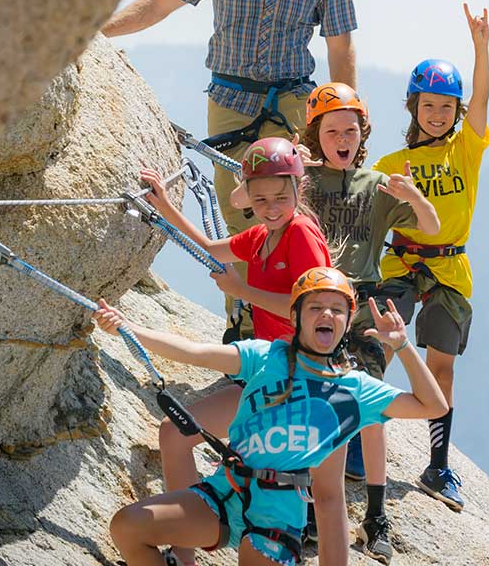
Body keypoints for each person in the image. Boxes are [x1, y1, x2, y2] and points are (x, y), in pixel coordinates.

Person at [103, 0, 358, 338]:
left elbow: (342, 52)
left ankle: (303, 332)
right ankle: (242, 328)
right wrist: (93, 33)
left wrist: (340, 122)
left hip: (291, 104)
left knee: (289, 214)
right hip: (230, 100)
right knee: (238, 216)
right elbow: (159, 4)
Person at [95, 267, 448, 566]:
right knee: (128, 526)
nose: (326, 314)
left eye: (337, 310)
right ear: (295, 316)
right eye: (316, 307)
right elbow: (196, 353)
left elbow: (433, 406)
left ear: (347, 321)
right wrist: (129, 329)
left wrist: (401, 346)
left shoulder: (355, 388)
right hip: (226, 490)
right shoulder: (266, 357)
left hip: (277, 515)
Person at [140, 137, 339, 565]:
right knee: (174, 433)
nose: (270, 207)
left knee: (178, 435)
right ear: (247, 195)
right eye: (261, 197)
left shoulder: (300, 234)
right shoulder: (266, 234)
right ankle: (183, 554)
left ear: (298, 192)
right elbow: (212, 251)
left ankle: (188, 550)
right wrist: (164, 207)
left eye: (281, 198)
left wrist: (242, 290)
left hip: (293, 382)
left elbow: (313, 306)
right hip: (267, 373)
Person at [300, 82, 441, 561]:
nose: (343, 138)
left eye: (351, 130)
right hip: (317, 305)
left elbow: (431, 227)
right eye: (332, 130)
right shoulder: (305, 182)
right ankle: (309, 511)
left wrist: (414, 197)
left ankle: (376, 515)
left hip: (363, 310)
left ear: (364, 135)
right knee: (317, 401)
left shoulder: (376, 187)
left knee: (371, 406)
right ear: (316, 134)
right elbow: (245, 201)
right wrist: (291, 166)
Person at [371, 4, 489, 512]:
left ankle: (438, 466)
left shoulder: (465, 148)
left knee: (441, 368)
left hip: (448, 268)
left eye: (447, 106)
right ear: (413, 107)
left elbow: (482, 99)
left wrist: (481, 48)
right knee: (372, 348)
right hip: (400, 263)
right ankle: (360, 445)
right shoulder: (390, 165)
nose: (438, 114)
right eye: (429, 105)